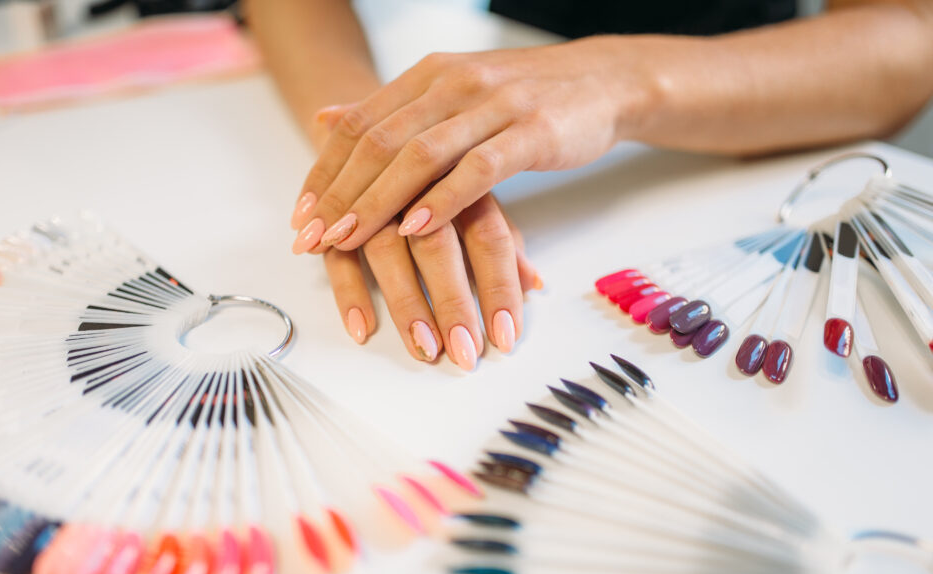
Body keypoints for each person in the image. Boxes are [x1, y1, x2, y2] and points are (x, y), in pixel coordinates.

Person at [246, 0, 933, 371]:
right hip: (512, 67)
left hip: (754, 114)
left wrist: (618, 79)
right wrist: (372, 140)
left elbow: (912, 35)